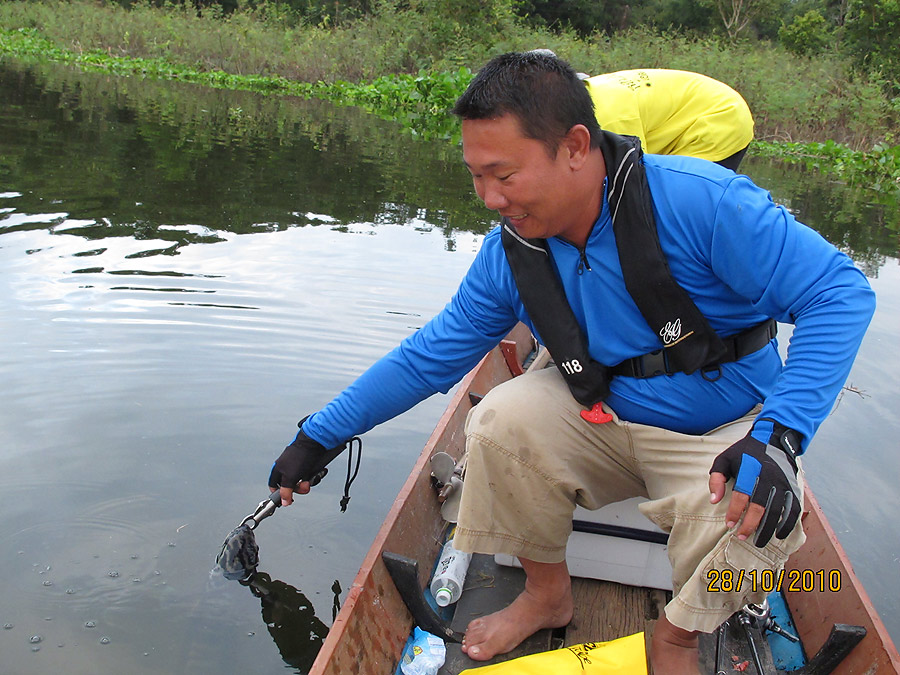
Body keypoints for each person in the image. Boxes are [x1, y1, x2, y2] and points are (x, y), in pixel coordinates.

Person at [266, 52, 875, 673]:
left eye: (503, 174)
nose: (487, 198)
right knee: (498, 422)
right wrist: (320, 434)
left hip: (719, 430)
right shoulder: (513, 250)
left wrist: (779, 437)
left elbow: (840, 291)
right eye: (476, 176)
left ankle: (680, 634)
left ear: (577, 146)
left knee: (761, 522)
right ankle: (544, 594)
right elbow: (431, 355)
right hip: (601, 414)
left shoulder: (701, 203)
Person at [584, 68, 754, 170]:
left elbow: (630, 180)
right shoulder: (586, 97)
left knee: (676, 202)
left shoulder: (609, 120)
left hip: (721, 117)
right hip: (699, 109)